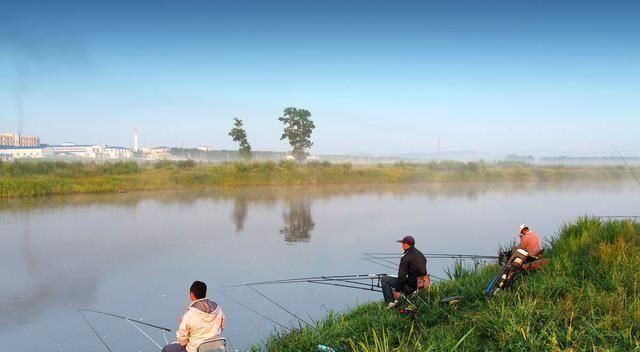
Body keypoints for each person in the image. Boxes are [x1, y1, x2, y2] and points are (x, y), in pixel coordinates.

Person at [162, 281, 225, 352]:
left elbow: (182, 340)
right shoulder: (218, 309)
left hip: (195, 350)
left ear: (191, 294)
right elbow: (222, 326)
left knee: (167, 349)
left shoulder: (189, 314)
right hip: (215, 348)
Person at [381, 235, 427, 308]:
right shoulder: (421, 255)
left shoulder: (406, 257)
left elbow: (402, 276)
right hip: (420, 286)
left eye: (402, 243)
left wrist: (397, 290)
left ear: (406, 244)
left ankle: (390, 303)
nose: (402, 246)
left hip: (410, 288)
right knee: (399, 280)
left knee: (384, 279)